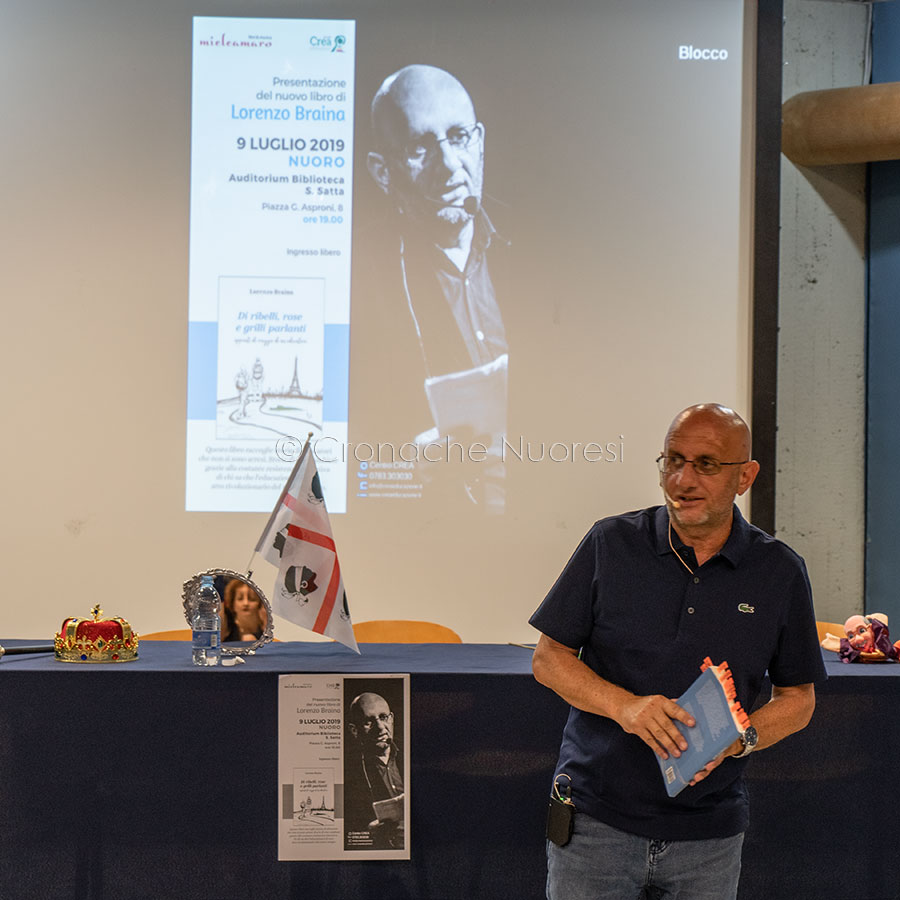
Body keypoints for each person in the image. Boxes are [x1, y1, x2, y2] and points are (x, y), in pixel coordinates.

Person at [529, 403, 826, 900]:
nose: (682, 479)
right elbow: (548, 658)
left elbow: (799, 698)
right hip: (596, 821)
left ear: (745, 476)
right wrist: (626, 708)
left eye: (706, 464)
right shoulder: (611, 543)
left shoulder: (779, 571)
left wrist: (740, 739)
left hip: (709, 833)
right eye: (672, 460)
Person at [362, 64, 509, 511]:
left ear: (479, 143)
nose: (449, 167)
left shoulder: (538, 255)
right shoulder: (362, 285)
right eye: (418, 147)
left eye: (459, 137)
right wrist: (407, 465)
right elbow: (342, 456)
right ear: (383, 172)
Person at [343, 691, 405, 850]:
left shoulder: (411, 754)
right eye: (368, 722)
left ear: (392, 719)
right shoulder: (348, 774)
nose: (380, 727)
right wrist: (368, 833)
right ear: (354, 730)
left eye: (383, 717)